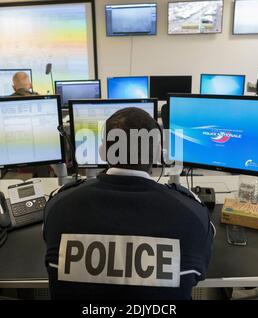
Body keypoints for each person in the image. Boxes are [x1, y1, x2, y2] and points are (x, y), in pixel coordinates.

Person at [43, 108, 214, 300]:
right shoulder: (193, 216)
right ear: (159, 154)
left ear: (102, 152)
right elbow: (199, 272)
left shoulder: (58, 207)